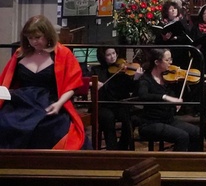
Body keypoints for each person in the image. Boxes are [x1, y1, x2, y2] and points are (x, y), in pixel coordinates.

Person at [0, 15, 86, 149]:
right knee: (4, 122)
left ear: (48, 35)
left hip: (49, 101)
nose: (34, 42)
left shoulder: (63, 54)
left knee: (48, 127)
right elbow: (6, 81)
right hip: (21, 102)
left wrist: (59, 104)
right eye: (30, 38)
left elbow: (72, 84)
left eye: (38, 37)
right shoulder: (20, 54)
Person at [136, 48, 202, 151]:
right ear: (157, 62)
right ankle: (174, 165)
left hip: (168, 120)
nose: (171, 63)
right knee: (182, 136)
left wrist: (177, 101)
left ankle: (192, 163)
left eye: (171, 59)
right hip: (150, 123)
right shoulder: (146, 79)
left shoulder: (169, 77)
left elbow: (184, 94)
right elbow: (143, 96)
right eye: (167, 60)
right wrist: (165, 97)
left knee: (197, 132)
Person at [92, 46, 141, 149]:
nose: (112, 57)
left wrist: (136, 78)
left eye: (114, 53)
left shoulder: (123, 71)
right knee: (108, 118)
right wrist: (95, 83)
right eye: (108, 55)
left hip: (120, 103)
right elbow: (87, 81)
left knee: (131, 118)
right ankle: (112, 148)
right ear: (103, 57)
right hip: (104, 105)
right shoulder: (97, 70)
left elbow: (131, 88)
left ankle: (123, 145)